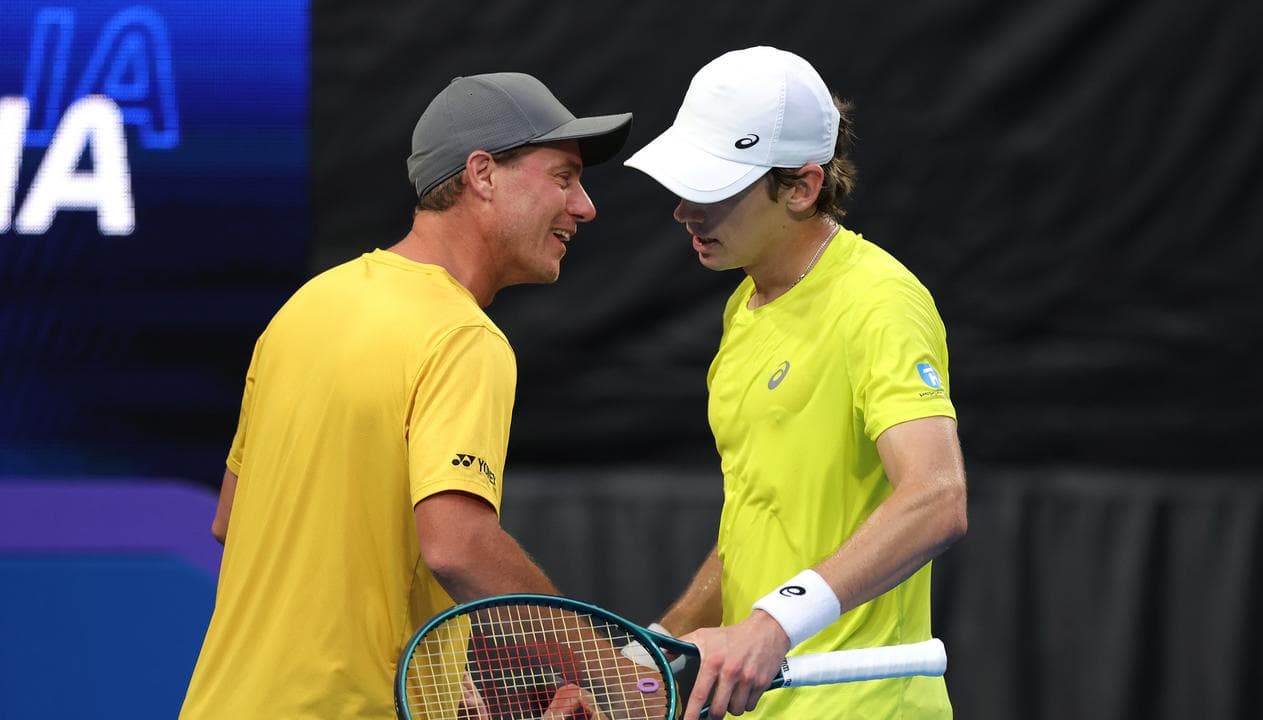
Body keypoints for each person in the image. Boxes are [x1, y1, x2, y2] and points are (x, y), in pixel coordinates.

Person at [180, 73, 631, 719]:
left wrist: (443, 676)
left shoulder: (305, 309)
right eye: (563, 177)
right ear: (482, 175)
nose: (584, 206)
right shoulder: (462, 336)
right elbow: (456, 545)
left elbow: (233, 521)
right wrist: (607, 669)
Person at [624, 46, 968, 719]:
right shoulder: (743, 310)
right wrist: (662, 646)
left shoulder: (880, 301)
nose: (685, 210)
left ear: (803, 187)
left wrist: (773, 625)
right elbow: (764, 524)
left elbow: (938, 495)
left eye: (715, 188)